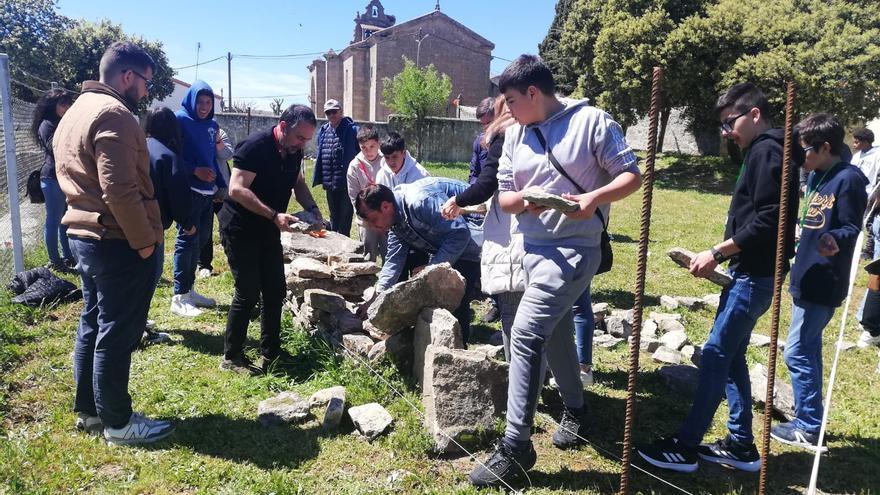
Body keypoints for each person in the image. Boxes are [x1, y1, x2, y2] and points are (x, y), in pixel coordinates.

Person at [469, 55, 641, 487]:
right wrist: (529, 197)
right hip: (532, 249)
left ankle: (516, 444)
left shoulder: (593, 122)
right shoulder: (516, 136)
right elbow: (504, 198)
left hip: (576, 251)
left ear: (533, 93)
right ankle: (578, 409)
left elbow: (631, 176)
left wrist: (593, 198)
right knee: (558, 329)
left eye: (511, 100)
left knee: (525, 333)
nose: (506, 110)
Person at [637, 82, 798, 473]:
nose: (726, 133)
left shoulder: (767, 151)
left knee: (715, 356)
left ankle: (686, 446)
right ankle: (742, 445)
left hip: (755, 276)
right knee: (733, 356)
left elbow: (769, 219)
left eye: (730, 123)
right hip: (751, 271)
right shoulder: (767, 150)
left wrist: (717, 252)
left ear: (754, 114)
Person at [55, 41, 172, 444]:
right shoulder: (114, 113)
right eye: (145, 83)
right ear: (127, 77)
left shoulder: (74, 111)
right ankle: (119, 424)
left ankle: (89, 411)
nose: (146, 91)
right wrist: (143, 243)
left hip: (84, 236)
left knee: (93, 323)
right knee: (117, 331)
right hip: (116, 239)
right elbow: (119, 190)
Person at [442, 96, 596, 387]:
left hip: (515, 242)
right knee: (555, 318)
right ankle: (566, 381)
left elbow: (488, 185)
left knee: (517, 323)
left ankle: (523, 391)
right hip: (562, 238)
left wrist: (459, 199)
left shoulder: (510, 135)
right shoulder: (556, 132)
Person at [769, 114, 867, 450]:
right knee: (807, 348)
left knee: (796, 352)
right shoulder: (818, 176)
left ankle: (809, 426)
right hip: (806, 276)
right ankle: (810, 416)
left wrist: (834, 239)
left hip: (825, 280)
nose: (801, 159)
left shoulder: (849, 179)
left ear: (826, 147)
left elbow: (852, 227)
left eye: (805, 152)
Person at [218, 104, 323, 374]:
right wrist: (274, 214)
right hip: (240, 228)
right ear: (284, 125)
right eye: (300, 137)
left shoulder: (293, 150)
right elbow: (236, 188)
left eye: (307, 140)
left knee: (275, 290)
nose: (303, 144)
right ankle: (232, 356)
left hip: (268, 228)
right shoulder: (255, 147)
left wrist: (312, 209)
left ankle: (272, 352)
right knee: (248, 290)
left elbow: (297, 182)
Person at [355, 178, 483, 344]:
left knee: (456, 299)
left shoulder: (419, 201)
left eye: (373, 220)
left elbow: (459, 233)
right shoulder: (396, 222)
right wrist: (375, 299)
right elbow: (394, 260)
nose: (372, 227)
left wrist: (432, 268)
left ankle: (458, 351)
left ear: (385, 206)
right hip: (455, 244)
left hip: (476, 237)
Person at [144, 107, 196, 345]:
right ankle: (137, 328)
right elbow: (178, 194)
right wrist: (187, 221)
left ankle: (137, 322)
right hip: (152, 225)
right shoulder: (168, 155)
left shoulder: (139, 147)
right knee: (149, 276)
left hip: (127, 219)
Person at [172, 80, 224, 317]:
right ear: (191, 100)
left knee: (201, 240)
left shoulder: (212, 125)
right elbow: (167, 156)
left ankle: (190, 290)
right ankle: (179, 295)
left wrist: (219, 185)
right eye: (200, 101)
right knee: (187, 239)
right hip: (188, 190)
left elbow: (212, 157)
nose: (204, 106)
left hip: (207, 192)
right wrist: (195, 171)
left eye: (208, 102)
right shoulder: (179, 120)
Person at [30, 88, 75, 273]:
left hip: (61, 177)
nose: (67, 107)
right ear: (52, 105)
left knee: (65, 220)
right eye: (63, 104)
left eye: (68, 103)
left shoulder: (60, 122)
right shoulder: (47, 124)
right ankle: (55, 261)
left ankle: (68, 257)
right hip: (52, 179)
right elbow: (53, 148)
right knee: (53, 220)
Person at [313, 99, 359, 236]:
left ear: (340, 111)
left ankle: (345, 250)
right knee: (334, 218)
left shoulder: (352, 130)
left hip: (346, 183)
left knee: (345, 220)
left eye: (334, 111)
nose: (331, 115)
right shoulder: (323, 131)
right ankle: (334, 248)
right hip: (330, 183)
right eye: (328, 112)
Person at [197, 127, 233, 278]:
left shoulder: (220, 132)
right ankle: (204, 265)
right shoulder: (193, 131)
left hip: (222, 189)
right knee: (204, 228)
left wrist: (217, 140)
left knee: (229, 225)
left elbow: (227, 154)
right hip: (202, 188)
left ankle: (234, 261)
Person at [346, 125, 384, 261]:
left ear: (378, 143)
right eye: (364, 147)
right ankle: (368, 281)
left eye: (372, 146)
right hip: (366, 220)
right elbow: (353, 196)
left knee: (389, 254)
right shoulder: (354, 166)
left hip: (386, 218)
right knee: (368, 256)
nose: (368, 151)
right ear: (359, 146)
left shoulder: (386, 161)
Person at [852, 129, 880, 259]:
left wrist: (875, 193)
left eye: (857, 141)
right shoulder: (857, 155)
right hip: (855, 192)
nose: (854, 143)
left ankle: (869, 250)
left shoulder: (877, 154)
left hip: (871, 192)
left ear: (866, 142)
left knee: (869, 221)